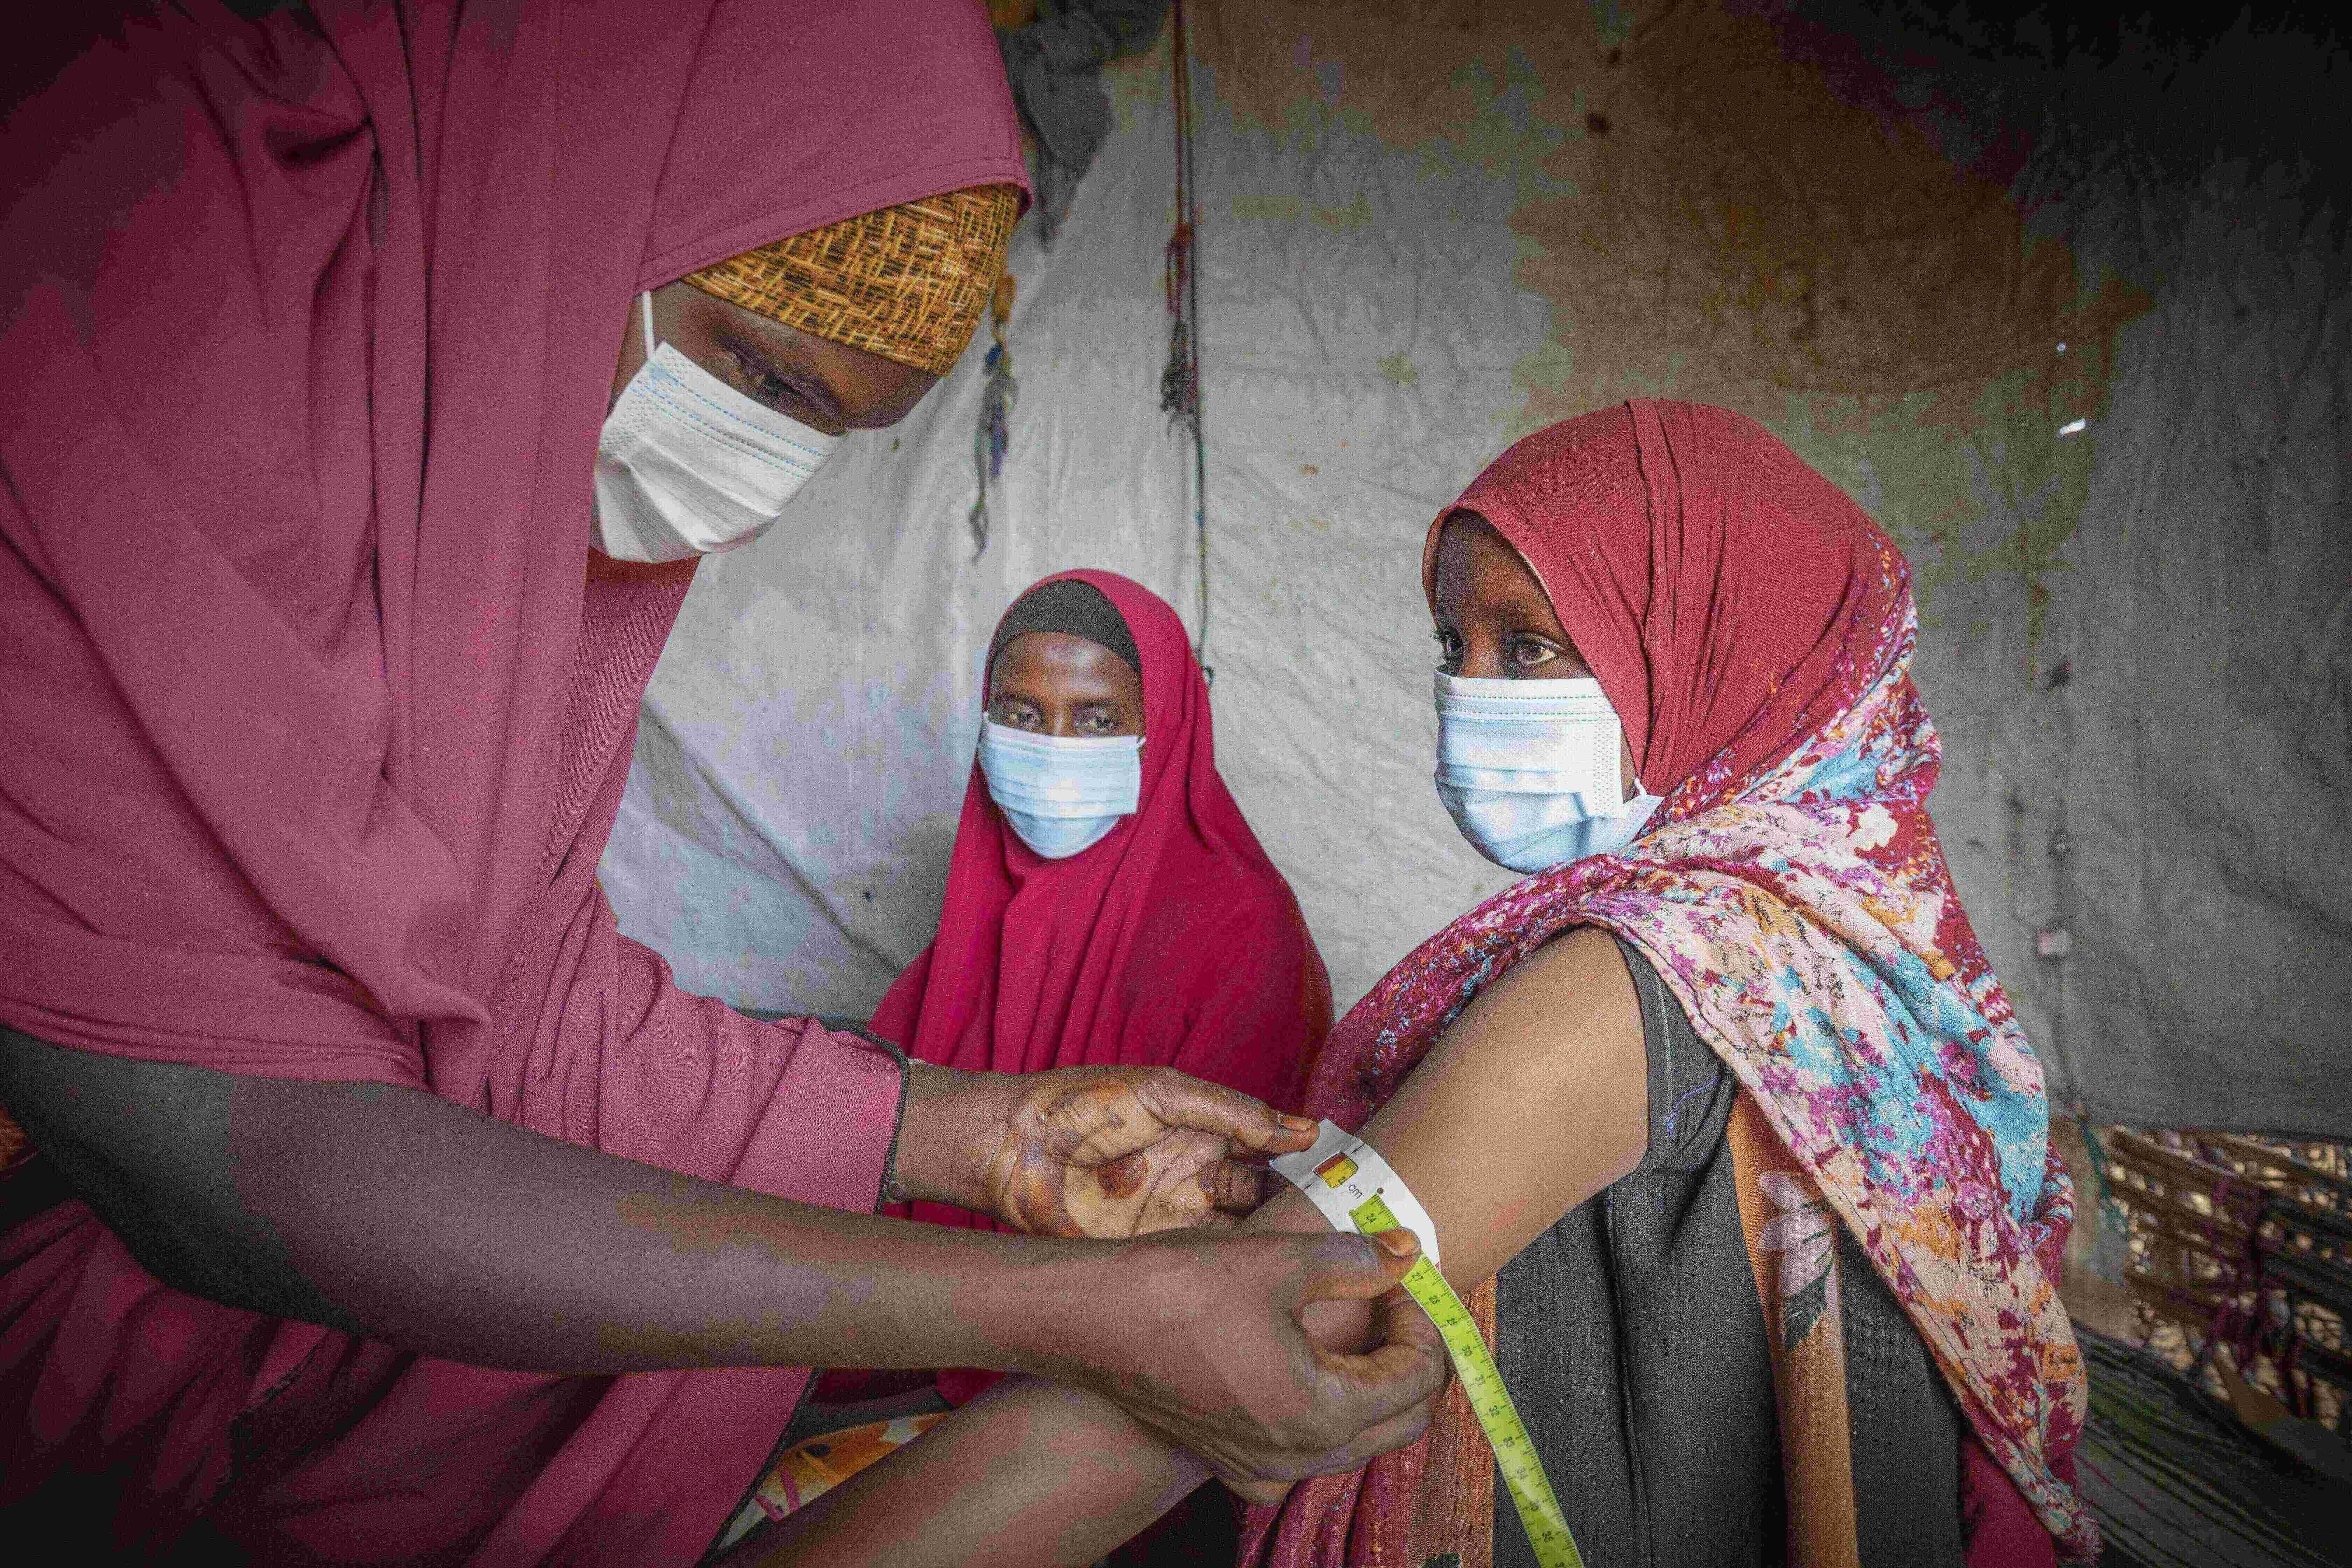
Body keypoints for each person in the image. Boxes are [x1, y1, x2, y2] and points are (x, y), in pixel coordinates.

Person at [0, 5, 1444, 1562]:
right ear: (574, 202)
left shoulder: (471, 503)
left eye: (828, 434)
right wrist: (1074, 1311)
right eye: (754, 372)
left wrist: (983, 1139)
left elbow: (524, 1011)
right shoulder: (116, 269)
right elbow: (215, 1143)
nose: (752, 482)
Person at [728, 401, 2095, 1568]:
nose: (1469, 696)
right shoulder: (1866, 937)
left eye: (1531, 648)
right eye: (1455, 649)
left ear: (1724, 645)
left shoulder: (1653, 972)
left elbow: (1237, 1341)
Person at [799, 570, 1334, 1560]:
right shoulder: (983, 907)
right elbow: (860, 1142)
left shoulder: (1239, 937)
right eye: (1019, 715)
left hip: (1114, 1411)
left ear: (1166, 731)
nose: (1051, 748)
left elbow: (1204, 1259)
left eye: (1096, 720)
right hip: (928, 1352)